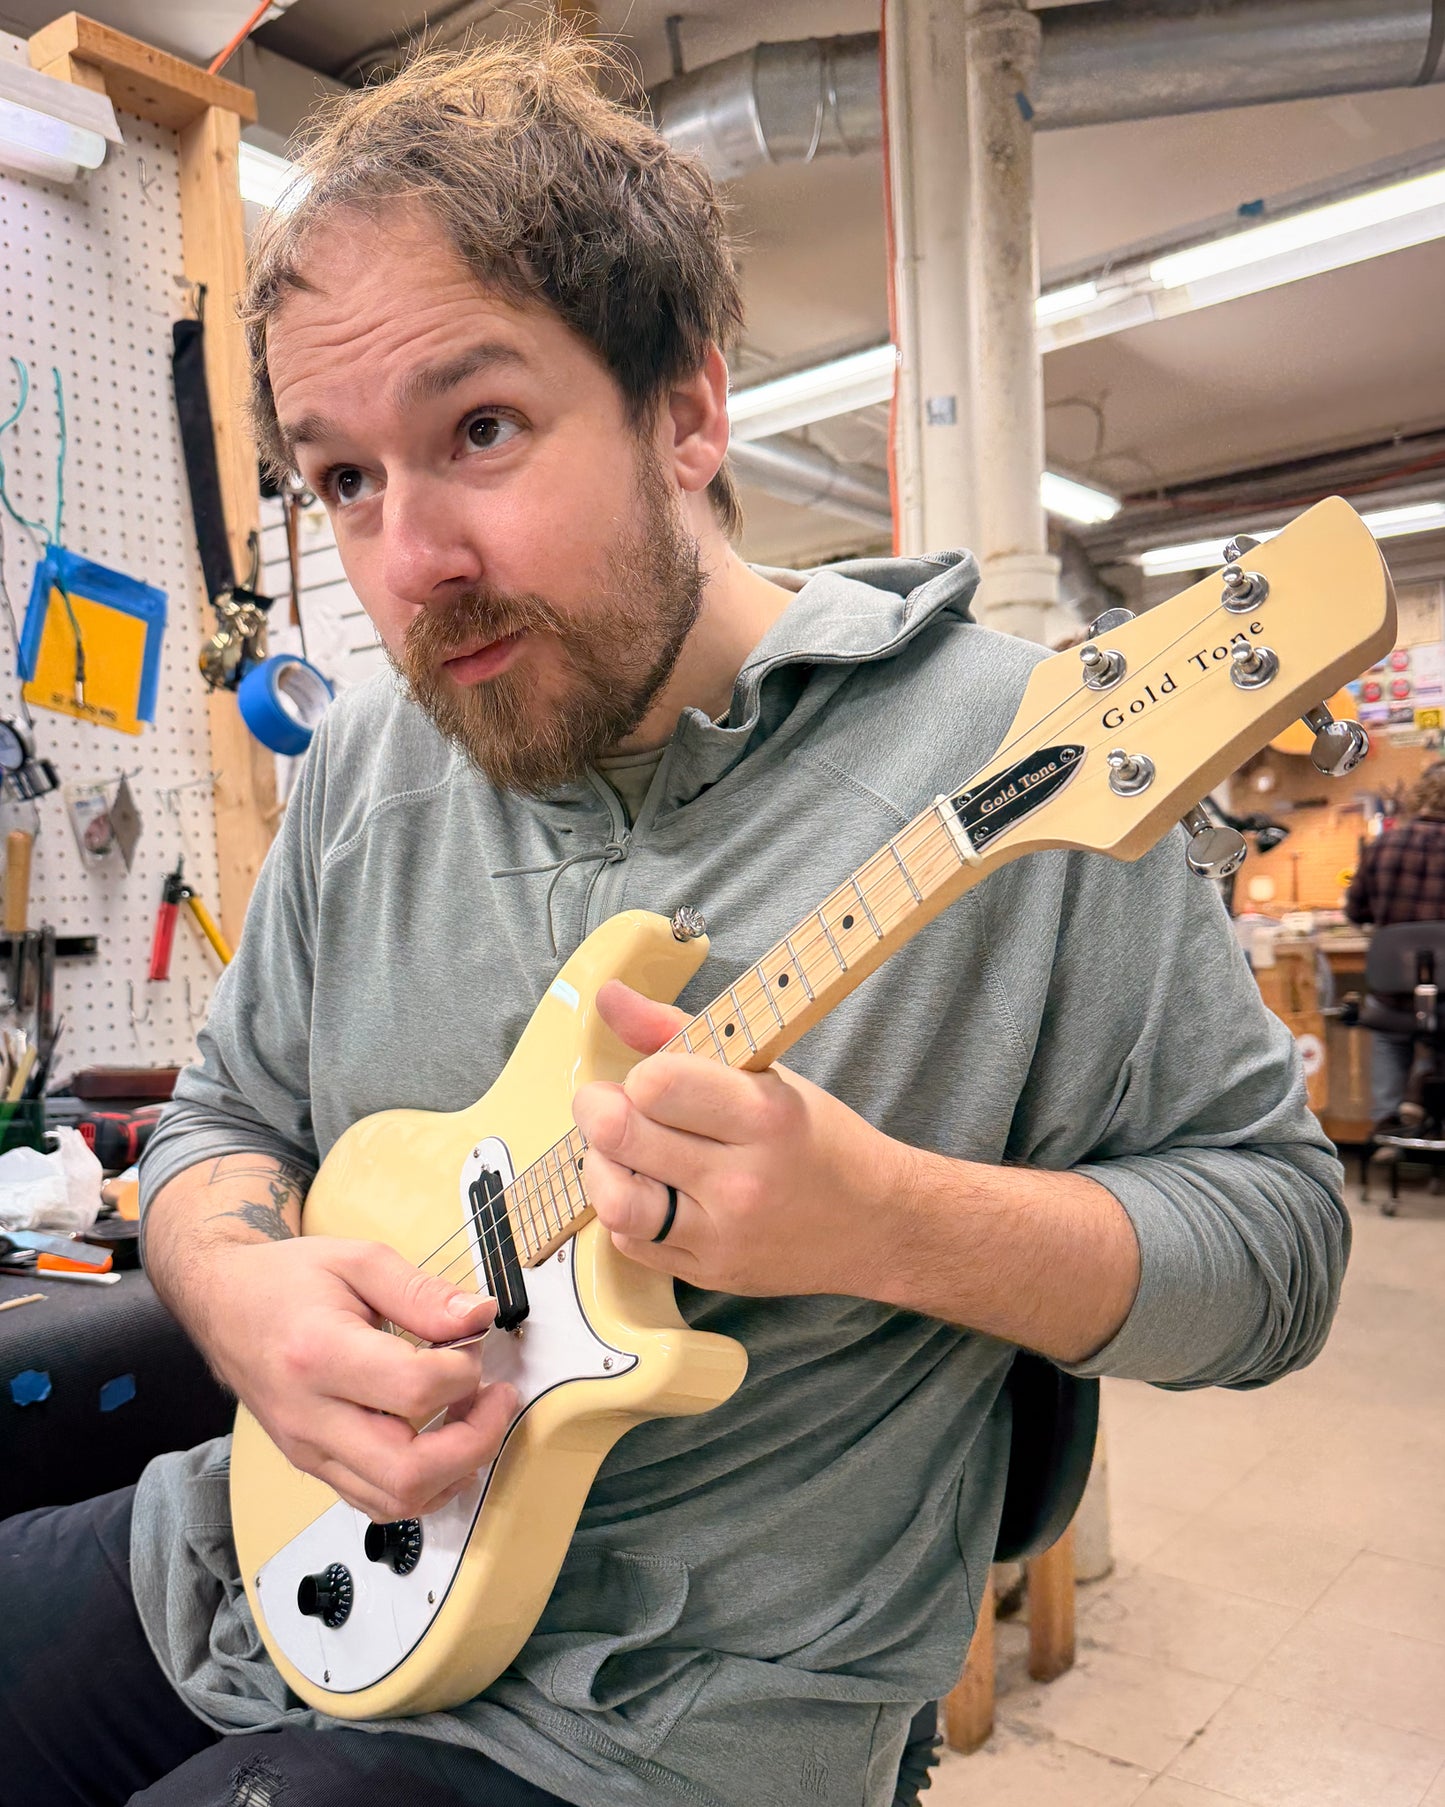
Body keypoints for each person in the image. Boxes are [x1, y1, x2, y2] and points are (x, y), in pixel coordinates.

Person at [0, 31, 1348, 1807]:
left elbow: (1277, 1254)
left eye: (478, 429)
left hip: (647, 1731)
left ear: (689, 409)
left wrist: (889, 1219)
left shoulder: (1016, 756)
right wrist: (242, 1288)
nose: (408, 564)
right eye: (342, 479)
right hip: (256, 1561)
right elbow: (225, 1121)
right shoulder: (370, 760)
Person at [1345, 760, 1445, 1127]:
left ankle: (1386, 1122)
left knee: (1389, 1033)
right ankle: (1423, 1094)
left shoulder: (1384, 845)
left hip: (1394, 999)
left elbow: (1356, 912)